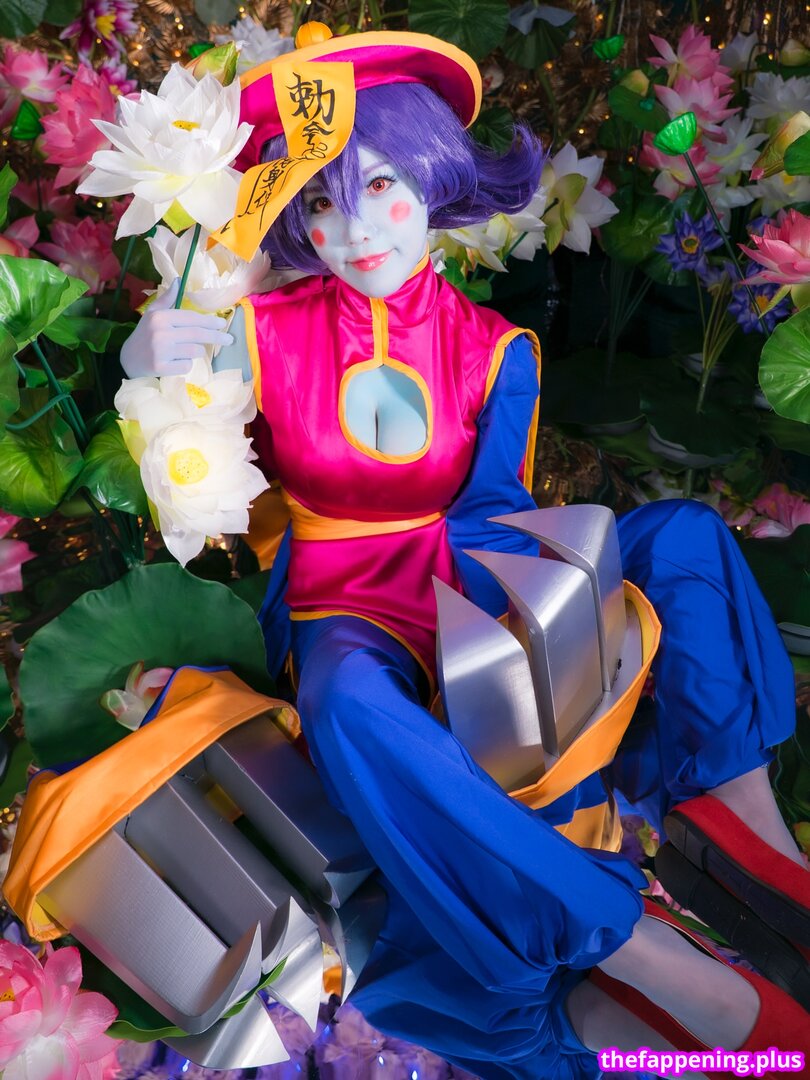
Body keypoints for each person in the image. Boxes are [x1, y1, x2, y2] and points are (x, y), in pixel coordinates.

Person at [120, 26, 809, 1079]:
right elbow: (180, 436)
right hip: (340, 607)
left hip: (461, 579)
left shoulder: (496, 349)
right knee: (350, 703)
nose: (356, 229)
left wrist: (523, 619)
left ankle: (750, 835)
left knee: (684, 539)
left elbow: (494, 511)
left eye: (381, 185)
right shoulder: (259, 330)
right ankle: (634, 944)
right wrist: (146, 359)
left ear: (433, 178)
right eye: (321, 201)